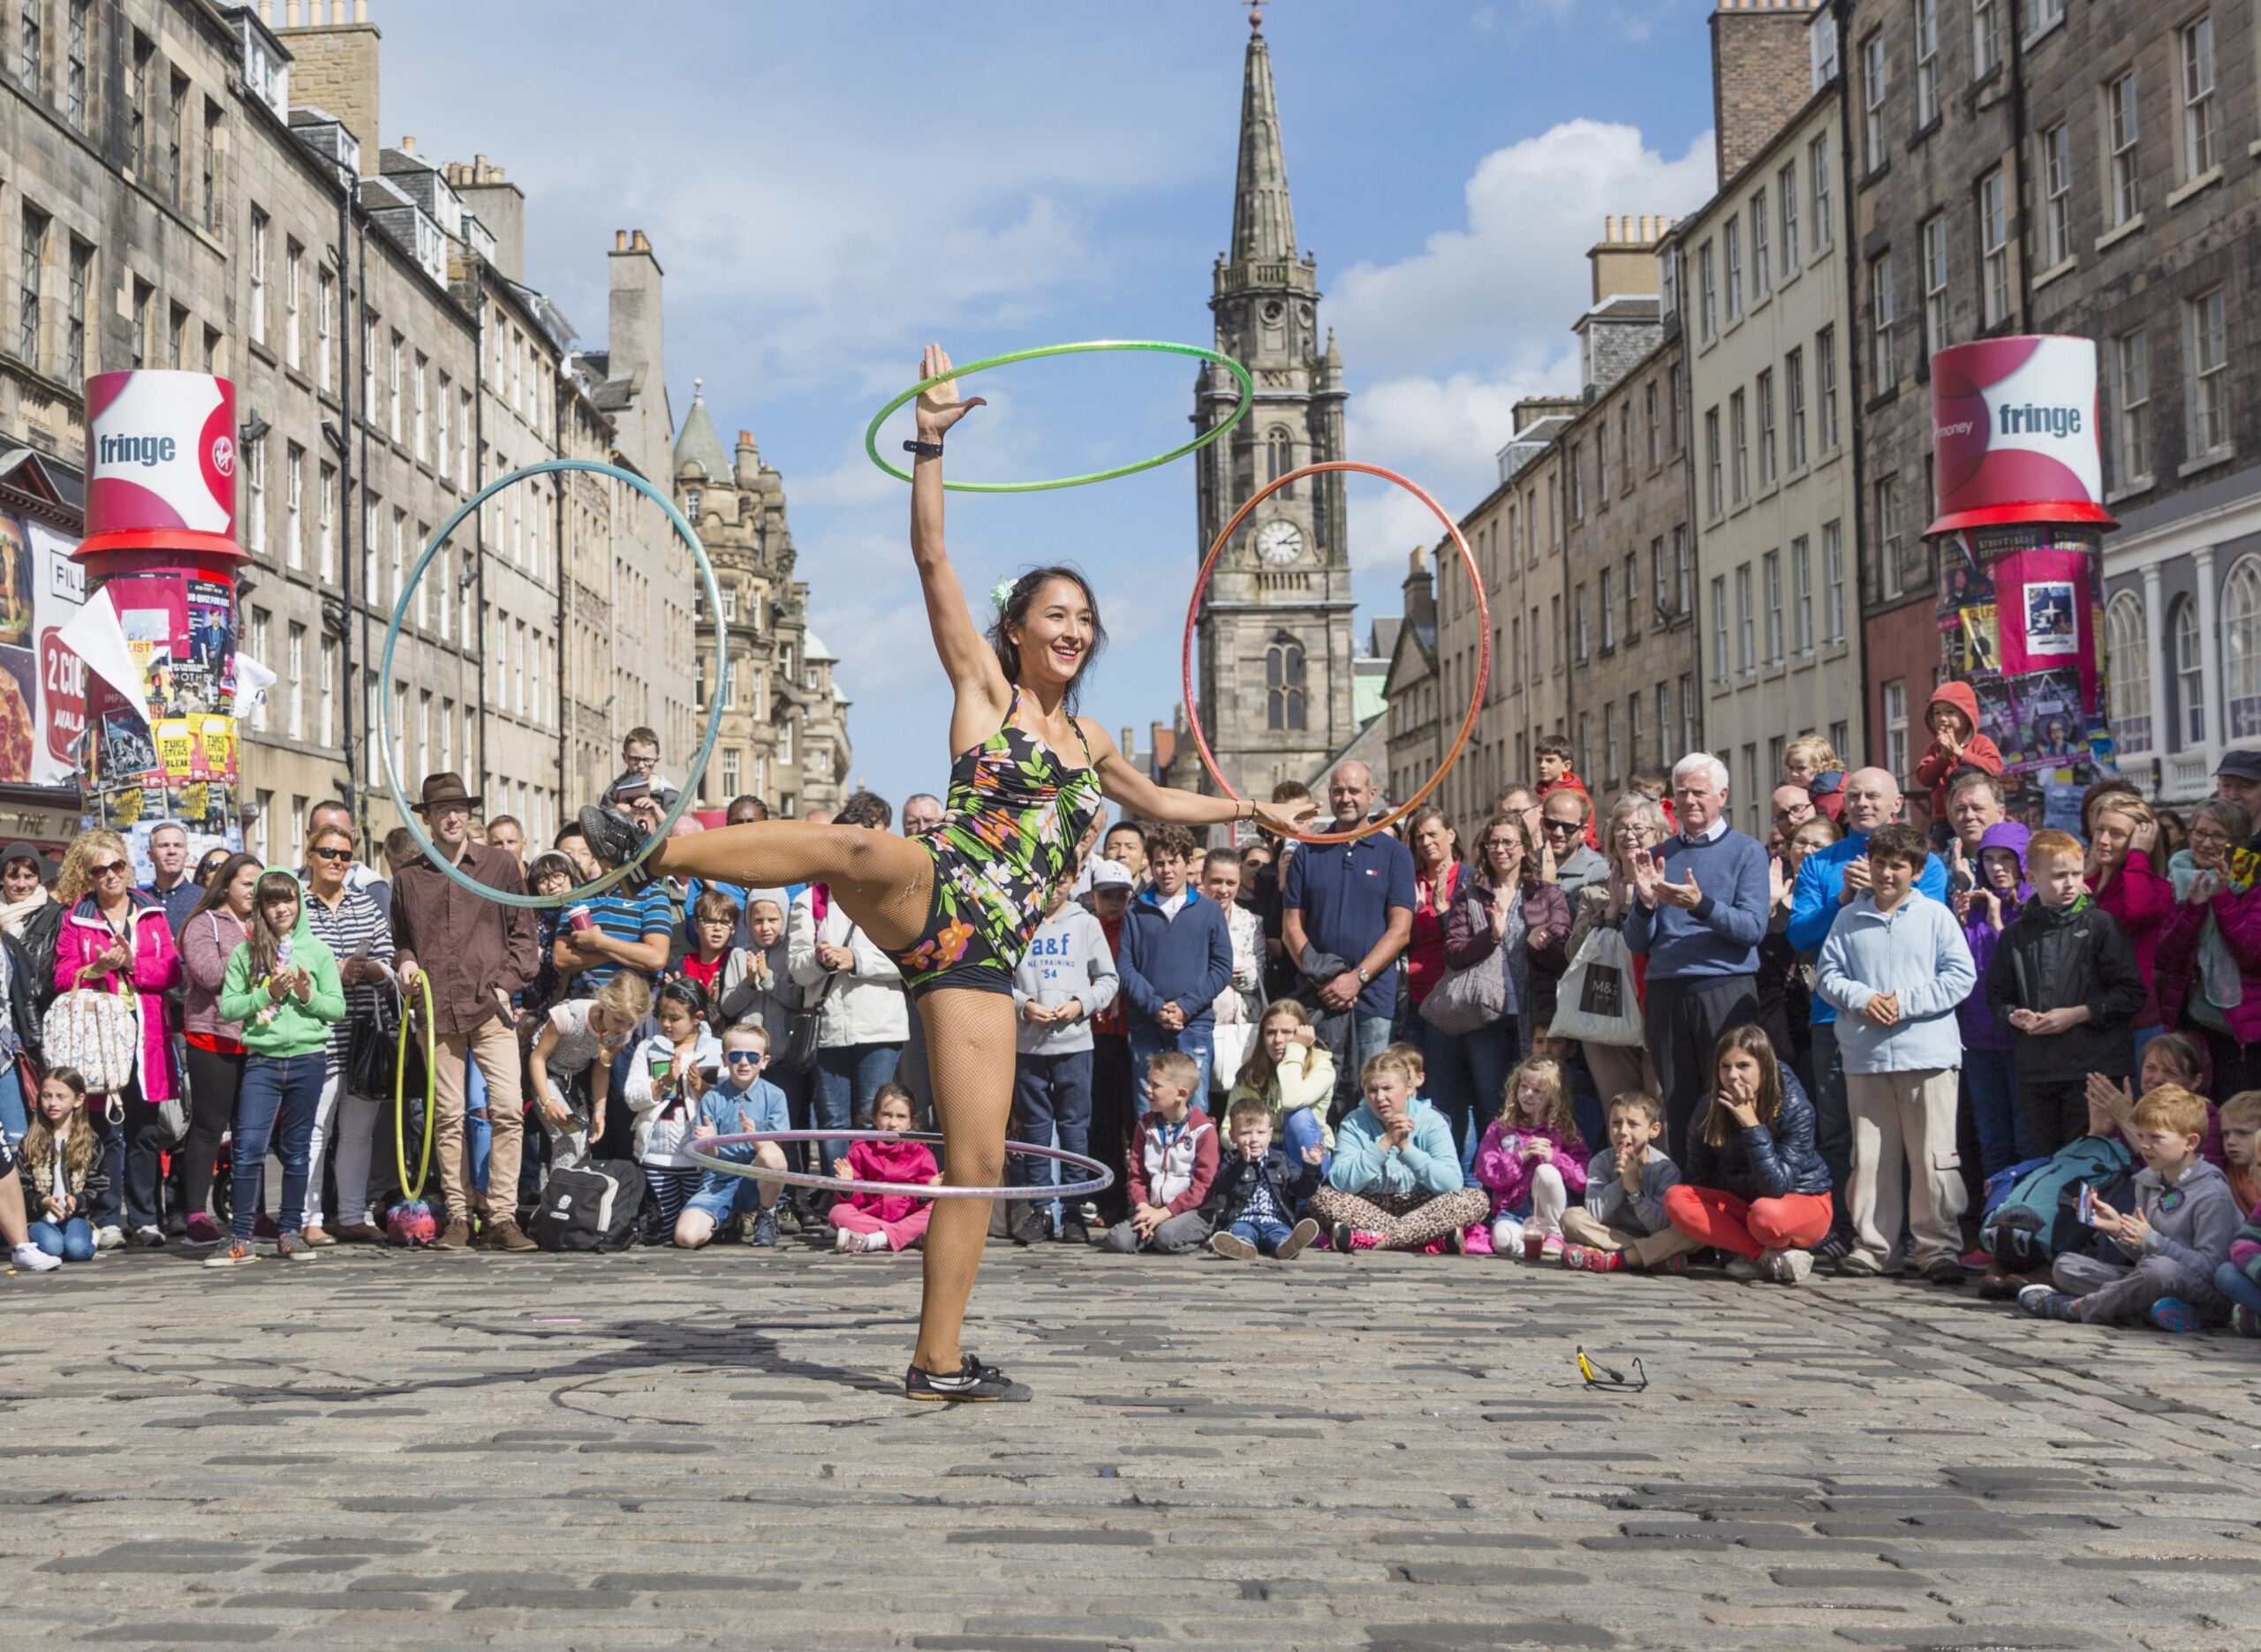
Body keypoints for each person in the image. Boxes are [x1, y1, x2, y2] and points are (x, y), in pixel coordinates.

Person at [574, 344, 1313, 1400]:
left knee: (972, 1161)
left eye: (1084, 619)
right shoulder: (984, 689)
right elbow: (932, 561)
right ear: (1015, 629)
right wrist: (928, 440)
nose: (1073, 629)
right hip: (940, 886)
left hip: (985, 957)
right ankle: (654, 848)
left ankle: (937, 1357)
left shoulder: (1094, 738)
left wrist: (1250, 805)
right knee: (861, 844)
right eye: (1053, 614)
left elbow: (1160, 802)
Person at [1783, 766, 1949, 1257]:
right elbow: (1802, 938)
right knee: (1840, 1133)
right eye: (1853, 795)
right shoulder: (1821, 862)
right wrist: (1843, 899)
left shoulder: (1926, 863)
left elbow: (1924, 931)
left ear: (1896, 803)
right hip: (1835, 1020)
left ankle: (1917, 1238)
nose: (1861, 803)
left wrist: (1877, 893)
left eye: (1873, 795)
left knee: (1915, 1141)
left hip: (1908, 1024)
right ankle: (1845, 1229)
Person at [1813, 821, 1977, 1284]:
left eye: (1897, 867)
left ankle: (1937, 1246)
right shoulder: (1848, 919)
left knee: (1933, 1157)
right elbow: (1829, 976)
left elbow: (1959, 977)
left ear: (1918, 871)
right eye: (1880, 864)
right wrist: (1863, 999)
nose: (1887, 874)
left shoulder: (1936, 917)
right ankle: (1874, 1245)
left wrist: (1904, 1002)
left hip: (1927, 1054)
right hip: (1866, 1055)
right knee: (1871, 1157)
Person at [387, 772, 541, 1253]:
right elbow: (402, 941)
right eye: (441, 810)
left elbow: (524, 936)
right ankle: (458, 1214)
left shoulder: (500, 866)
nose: (452, 817)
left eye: (459, 809)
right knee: (448, 1115)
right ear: (427, 819)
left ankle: (502, 1214)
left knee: (508, 1110)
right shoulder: (409, 878)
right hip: (437, 1010)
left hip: (490, 1007)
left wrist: (505, 984)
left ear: (469, 815)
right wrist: (407, 965)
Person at [1624, 754, 1769, 1164]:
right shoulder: (1658, 854)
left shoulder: (1747, 852)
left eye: (1699, 792)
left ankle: (1737, 1199)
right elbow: (1637, 942)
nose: (1690, 801)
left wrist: (1701, 904)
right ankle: (1692, 1200)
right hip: (1666, 991)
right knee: (1680, 1102)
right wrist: (1647, 904)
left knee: (1733, 1097)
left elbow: (1753, 929)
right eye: (1682, 792)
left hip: (1723, 988)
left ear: (1722, 796)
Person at [207, 871, 345, 1268]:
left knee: (297, 1151)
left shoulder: (317, 951)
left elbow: (336, 1008)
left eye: (288, 900)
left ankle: (289, 1232)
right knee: (248, 1148)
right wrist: (268, 993)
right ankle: (241, 1236)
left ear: (299, 903)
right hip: (263, 1062)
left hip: (308, 1059)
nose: (281, 908)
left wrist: (307, 994)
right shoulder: (245, 953)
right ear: (261, 909)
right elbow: (229, 1008)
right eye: (272, 902)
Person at [53, 828, 183, 1249]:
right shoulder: (77, 917)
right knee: (105, 1128)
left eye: (117, 866)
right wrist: (96, 969)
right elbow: (60, 975)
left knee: (145, 1130)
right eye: (100, 870)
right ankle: (108, 1217)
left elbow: (172, 971)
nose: (110, 875)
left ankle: (145, 1217)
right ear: (90, 877)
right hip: (99, 1035)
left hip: (145, 1031)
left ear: (128, 868)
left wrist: (134, 964)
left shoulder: (152, 912)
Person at [2018, 1085, 2238, 1331]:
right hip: (2151, 1281)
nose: (2144, 1145)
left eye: (2156, 1137)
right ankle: (2155, 1313)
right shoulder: (2148, 1180)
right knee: (2066, 1266)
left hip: (2204, 1292)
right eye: (2141, 1136)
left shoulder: (2212, 1193)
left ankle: (2078, 1308)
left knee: (2158, 1270)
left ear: (2190, 1142)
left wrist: (2153, 1241)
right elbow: (2139, 1256)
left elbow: (2213, 1269)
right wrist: (2117, 1230)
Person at [1986, 826, 2146, 1157]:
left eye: (2076, 873)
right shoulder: (2015, 935)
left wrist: (2078, 1014)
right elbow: (1998, 998)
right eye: (2059, 875)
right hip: (2039, 1072)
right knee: (2049, 1163)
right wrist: (2015, 1017)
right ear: (2031, 877)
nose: (2070, 883)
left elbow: (2131, 994)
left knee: (2091, 1162)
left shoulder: (2102, 925)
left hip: (2094, 1067)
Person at [788, 797, 911, 1181]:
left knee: (874, 1116)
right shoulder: (810, 900)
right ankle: (839, 1199)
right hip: (828, 1029)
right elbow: (796, 967)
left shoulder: (892, 896)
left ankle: (873, 1197)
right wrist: (820, 960)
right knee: (832, 1120)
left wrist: (856, 960)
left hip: (879, 1027)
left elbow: (909, 962)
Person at [1282, 761, 1414, 1117]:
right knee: (1318, 1093)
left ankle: (1367, 1169)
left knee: (1372, 1094)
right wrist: (1319, 975)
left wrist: (1357, 979)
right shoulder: (1308, 850)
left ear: (1372, 794)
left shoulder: (1396, 855)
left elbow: (1400, 930)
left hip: (1373, 996)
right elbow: (1291, 925)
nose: (1346, 798)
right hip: (1319, 996)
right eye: (1338, 790)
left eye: (1354, 791)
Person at [1661, 1025, 1834, 1283]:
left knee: (1766, 1216)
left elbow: (1776, 1186)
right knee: (1676, 1198)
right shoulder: (1708, 1109)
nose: (1732, 1076)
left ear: (1764, 1067)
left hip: (1800, 1202)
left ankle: (1763, 1250)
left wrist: (1752, 1126)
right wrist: (1717, 1234)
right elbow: (1699, 1177)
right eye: (1725, 1067)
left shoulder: (1795, 1106)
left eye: (1743, 1066)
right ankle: (1767, 1257)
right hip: (1745, 1209)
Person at [299, 819, 395, 1246]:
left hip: (362, 1033)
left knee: (358, 1130)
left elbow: (388, 960)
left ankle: (352, 1214)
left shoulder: (365, 904)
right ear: (310, 857)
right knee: (315, 1129)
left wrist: (370, 969)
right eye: (328, 853)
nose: (336, 861)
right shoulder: (296, 906)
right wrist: (330, 975)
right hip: (315, 1031)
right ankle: (309, 1216)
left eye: (344, 854)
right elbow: (284, 958)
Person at [1440, 811, 1564, 1142]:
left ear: (1525, 847)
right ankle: (1495, 1178)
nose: (1500, 849)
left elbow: (1565, 950)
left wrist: (1543, 942)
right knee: (1491, 1103)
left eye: (1509, 842)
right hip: (1485, 1016)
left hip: (1535, 1012)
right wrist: (1490, 937)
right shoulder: (1470, 895)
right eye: (1493, 842)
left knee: (1540, 1098)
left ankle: (1534, 1173)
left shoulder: (1545, 892)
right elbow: (1453, 952)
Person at [1010, 876, 1117, 1245]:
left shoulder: (1085, 923)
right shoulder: (1018, 919)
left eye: (1061, 881)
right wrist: (1024, 1004)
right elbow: (999, 977)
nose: (1053, 889)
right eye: (1047, 881)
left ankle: (1074, 1209)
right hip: (1028, 1045)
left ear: (1072, 880)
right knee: (1036, 1129)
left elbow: (1107, 978)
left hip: (1074, 1043)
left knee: (1074, 1128)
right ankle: (1039, 1208)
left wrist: (1081, 1004)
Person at [1312, 1048, 1490, 1252]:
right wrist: (1386, 1143)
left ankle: (1380, 1240)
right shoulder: (1354, 1122)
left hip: (1423, 1205)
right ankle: (1425, 1239)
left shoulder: (1431, 1120)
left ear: (1408, 1087)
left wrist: (1406, 1148)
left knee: (1474, 1199)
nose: (1380, 1098)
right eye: (1372, 1090)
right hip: (1370, 1204)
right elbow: (1342, 1183)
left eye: (1388, 1088)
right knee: (1323, 1199)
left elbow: (1451, 1183)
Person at [1115, 822, 1232, 1111]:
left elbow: (1221, 968)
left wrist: (1185, 1006)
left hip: (1195, 1025)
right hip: (1146, 1024)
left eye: (1173, 862)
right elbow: (1126, 968)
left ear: (1188, 862)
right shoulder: (1136, 912)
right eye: (1159, 863)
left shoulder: (1209, 911)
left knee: (1195, 1104)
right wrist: (1156, 1007)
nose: (1166, 870)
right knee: (1148, 1104)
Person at [1563, 796, 1669, 1110]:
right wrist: (1610, 911)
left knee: (1660, 1106)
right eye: (1621, 828)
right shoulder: (1593, 890)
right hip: (1605, 1005)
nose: (1629, 835)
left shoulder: (1671, 884)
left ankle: (1661, 1162)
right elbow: (1573, 952)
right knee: (1620, 1106)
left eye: (1639, 827)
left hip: (1655, 1004)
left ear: (1658, 835)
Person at [178, 853, 259, 1243]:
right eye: (247, 884)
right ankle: (196, 1215)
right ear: (226, 885)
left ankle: (251, 1212)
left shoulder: (263, 924)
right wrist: (256, 955)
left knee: (250, 1131)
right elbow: (210, 974)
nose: (254, 892)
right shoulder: (202, 923)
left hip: (258, 1039)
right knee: (210, 1127)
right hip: (213, 1035)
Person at [2156, 799, 2261, 1098]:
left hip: (2240, 1036)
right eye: (2199, 832)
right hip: (2191, 1025)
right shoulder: (2177, 878)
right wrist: (2193, 909)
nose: (2205, 842)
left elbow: (2253, 955)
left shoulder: (2254, 884)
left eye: (2218, 835)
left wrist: (2224, 899)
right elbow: (2166, 957)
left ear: (2238, 843)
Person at [1957, 819, 2034, 1179]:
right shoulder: (1969, 906)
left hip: (2020, 1037)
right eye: (1989, 859)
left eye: (2008, 858)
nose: (1998, 868)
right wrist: (1958, 922)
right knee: (1991, 1139)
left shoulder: (2033, 906)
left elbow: (2026, 970)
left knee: (2026, 1136)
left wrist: (1998, 922)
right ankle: (1995, 1221)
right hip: (1977, 1038)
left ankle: (2026, 1222)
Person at [677, 1022, 792, 1250]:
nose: (743, 1062)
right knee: (686, 1237)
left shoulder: (775, 1096)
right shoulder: (712, 1098)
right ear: (724, 1058)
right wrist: (709, 1141)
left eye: (752, 1057)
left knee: (772, 1155)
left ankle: (767, 1214)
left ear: (765, 1061)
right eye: (736, 1055)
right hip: (720, 1179)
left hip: (756, 1177)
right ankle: (726, 1220)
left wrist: (756, 1138)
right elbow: (707, 1158)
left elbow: (777, 1154)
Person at [623, 978, 723, 1230]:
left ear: (697, 1017)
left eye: (675, 1018)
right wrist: (664, 1082)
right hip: (656, 1156)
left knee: (692, 1224)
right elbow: (632, 1097)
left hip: (699, 1159)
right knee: (662, 1227)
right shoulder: (648, 1048)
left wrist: (701, 1087)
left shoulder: (717, 1050)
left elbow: (727, 1105)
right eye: (661, 1016)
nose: (666, 1024)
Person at [529, 972, 650, 1173]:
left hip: (572, 1079)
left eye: (631, 1024)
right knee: (568, 1137)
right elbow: (537, 1058)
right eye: (619, 1020)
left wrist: (600, 1111)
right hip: (544, 1075)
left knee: (582, 1136)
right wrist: (548, 1100)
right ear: (604, 1003)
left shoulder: (621, 1035)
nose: (622, 1028)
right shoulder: (569, 1015)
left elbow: (602, 1069)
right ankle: (562, 1199)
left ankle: (572, 1194)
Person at [1471, 1055, 1589, 1259]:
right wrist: (1520, 1157)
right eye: (1523, 1086)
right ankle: (1529, 1246)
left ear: (1553, 1096)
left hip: (1550, 1213)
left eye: (1537, 1091)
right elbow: (1486, 1172)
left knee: (1546, 1171)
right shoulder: (1502, 1127)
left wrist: (1555, 1158)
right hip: (1513, 1211)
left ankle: (1555, 1234)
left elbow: (1583, 1178)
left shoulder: (1564, 1130)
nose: (1527, 1094)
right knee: (1502, 1241)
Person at [1102, 1050, 1218, 1255]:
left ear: (1181, 1094)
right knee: (1117, 1241)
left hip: (1192, 1211)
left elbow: (1203, 1185)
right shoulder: (1145, 1127)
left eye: (1156, 1086)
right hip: (1153, 1208)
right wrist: (1143, 1207)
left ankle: (1191, 1235)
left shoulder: (1203, 1131)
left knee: (1166, 1238)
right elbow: (1137, 1176)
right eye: (1149, 1083)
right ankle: (1152, 1231)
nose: (1148, 1090)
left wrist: (1166, 1212)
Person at [1559, 1089, 1684, 1273]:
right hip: (1609, 1233)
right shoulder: (1600, 1162)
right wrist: (1621, 1182)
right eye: (1616, 1123)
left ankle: (1616, 1259)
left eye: (1633, 1124)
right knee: (1570, 1218)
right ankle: (1650, 1256)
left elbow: (1659, 1226)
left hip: (1651, 1234)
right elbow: (1594, 1213)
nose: (1623, 1132)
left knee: (1686, 1232)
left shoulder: (1665, 1169)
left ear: (1654, 1130)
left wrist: (1634, 1190)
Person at [2086, 792, 2169, 1062]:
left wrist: (2137, 857)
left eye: (2117, 834)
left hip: (2136, 1020)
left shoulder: (2157, 887)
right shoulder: (2083, 881)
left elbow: (2138, 912)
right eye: (2100, 829)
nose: (2104, 840)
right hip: (2087, 1014)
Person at [1200, 1093, 1322, 1260]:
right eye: (1246, 1133)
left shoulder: (1281, 1159)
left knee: (1279, 1234)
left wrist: (1311, 1168)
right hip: (1242, 1219)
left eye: (1261, 1132)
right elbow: (1222, 1186)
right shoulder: (1231, 1159)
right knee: (1241, 1232)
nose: (1254, 1139)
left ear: (1270, 1134)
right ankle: (1242, 1247)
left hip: (1275, 1220)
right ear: (1232, 1136)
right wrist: (1241, 1163)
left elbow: (1303, 1190)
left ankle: (1286, 1246)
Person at [829, 1082, 941, 1254]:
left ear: (911, 1122)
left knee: (937, 1211)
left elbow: (923, 1205)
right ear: (874, 1117)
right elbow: (854, 1203)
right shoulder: (861, 1149)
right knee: (838, 1213)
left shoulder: (922, 1153)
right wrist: (847, 1187)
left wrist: (927, 1193)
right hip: (872, 1217)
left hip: (909, 1216)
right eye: (886, 1115)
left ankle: (874, 1240)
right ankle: (907, 1237)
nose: (893, 1124)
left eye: (901, 1117)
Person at [19, 1067, 101, 1263]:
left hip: (76, 1216)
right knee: (53, 1247)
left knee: (78, 1250)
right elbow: (21, 1185)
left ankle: (90, 1236)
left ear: (78, 1100)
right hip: (40, 1218)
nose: (52, 1103)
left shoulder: (90, 1141)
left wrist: (79, 1200)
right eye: (46, 1096)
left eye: (60, 1096)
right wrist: (41, 1201)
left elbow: (99, 1183)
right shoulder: (30, 1141)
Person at [1200, 848, 1266, 1088]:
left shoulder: (1251, 922)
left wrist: (1217, 963)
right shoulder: (1189, 917)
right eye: (1216, 881)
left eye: (1231, 882)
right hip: (1201, 1022)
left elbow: (1255, 977)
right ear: (1203, 879)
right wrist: (1235, 962)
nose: (1223, 890)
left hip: (1242, 1025)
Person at [1913, 683, 2004, 834]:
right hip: (1944, 820)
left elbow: (1995, 768)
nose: (1942, 718)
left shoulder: (1981, 743)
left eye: (1950, 712)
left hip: (1979, 818)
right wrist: (1943, 758)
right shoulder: (1934, 748)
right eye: (1937, 713)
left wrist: (1961, 753)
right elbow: (1924, 778)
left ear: (1967, 715)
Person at [0, 841, 63, 1017]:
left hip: (35, 1017)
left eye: (29, 876)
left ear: (39, 877)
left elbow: (58, 975)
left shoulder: (57, 916)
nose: (21, 884)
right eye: (13, 876)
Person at [1533, 734, 1597, 850]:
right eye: (1539, 760)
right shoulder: (1535, 794)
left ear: (1566, 766)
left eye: (1550, 761)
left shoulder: (1577, 796)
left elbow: (1586, 835)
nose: (1542, 765)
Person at [1541, 789, 1607, 898]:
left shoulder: (1598, 871)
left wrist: (1547, 887)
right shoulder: (1526, 865)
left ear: (1583, 831)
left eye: (1568, 827)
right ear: (1541, 823)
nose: (1558, 833)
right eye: (1551, 824)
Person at [140, 821, 200, 938]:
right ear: (150, 855)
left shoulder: (204, 899)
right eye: (163, 845)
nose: (172, 851)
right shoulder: (138, 901)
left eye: (178, 845)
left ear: (186, 855)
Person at [1783, 734, 1846, 824]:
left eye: (1801, 768)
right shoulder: (1808, 791)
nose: (1794, 774)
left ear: (1820, 767)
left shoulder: (1831, 796)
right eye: (1791, 768)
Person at [1102, 822, 1149, 893]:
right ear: (1104, 856)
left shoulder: (1157, 901)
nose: (1121, 854)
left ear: (1144, 857)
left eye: (1130, 847)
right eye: (1114, 847)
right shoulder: (1088, 901)